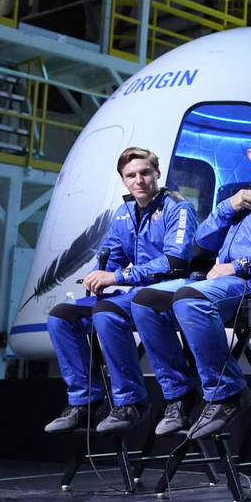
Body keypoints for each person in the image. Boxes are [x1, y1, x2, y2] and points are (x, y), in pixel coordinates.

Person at [130, 126, 251, 439]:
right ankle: (179, 395)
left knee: (190, 298)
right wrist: (227, 207)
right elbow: (199, 247)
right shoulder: (238, 198)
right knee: (144, 300)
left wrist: (236, 266)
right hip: (218, 283)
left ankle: (227, 393)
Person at [44, 147, 198, 434]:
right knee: (61, 316)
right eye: (131, 175)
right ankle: (84, 403)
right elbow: (112, 257)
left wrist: (117, 275)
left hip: (170, 292)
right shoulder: (123, 213)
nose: (138, 180)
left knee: (107, 312)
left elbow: (175, 262)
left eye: (145, 173)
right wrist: (97, 275)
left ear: (157, 173)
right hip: (135, 294)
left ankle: (137, 402)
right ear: (123, 180)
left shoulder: (178, 207)